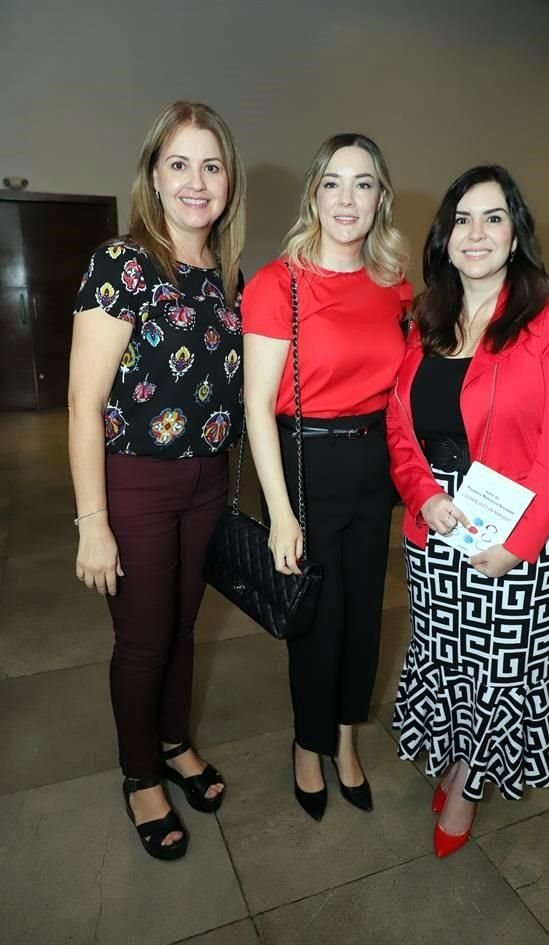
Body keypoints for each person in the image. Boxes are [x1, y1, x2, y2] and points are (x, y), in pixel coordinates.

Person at [386, 164, 549, 857]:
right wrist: (423, 492)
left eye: (494, 217)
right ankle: (455, 757)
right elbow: (399, 425)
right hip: (439, 526)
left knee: (501, 670)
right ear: (445, 237)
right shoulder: (426, 318)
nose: (476, 233)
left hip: (520, 529)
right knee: (446, 658)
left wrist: (523, 541)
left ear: (515, 235)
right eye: (463, 220)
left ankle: (469, 781)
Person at [68, 101, 246, 860]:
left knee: (181, 627)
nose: (196, 181)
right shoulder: (123, 263)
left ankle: (175, 741)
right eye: (179, 163)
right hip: (136, 482)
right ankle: (140, 773)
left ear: (228, 180)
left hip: (208, 480)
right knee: (142, 639)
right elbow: (84, 400)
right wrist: (92, 520)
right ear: (153, 176)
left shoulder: (222, 270)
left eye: (211, 165)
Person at [241, 134, 411, 820]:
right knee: (317, 616)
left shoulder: (393, 282)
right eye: (334, 182)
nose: (348, 198)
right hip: (304, 466)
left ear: (380, 198)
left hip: (374, 468)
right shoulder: (275, 283)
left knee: (364, 614)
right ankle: (307, 744)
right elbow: (255, 403)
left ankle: (345, 739)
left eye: (363, 183)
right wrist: (280, 512)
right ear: (314, 192)